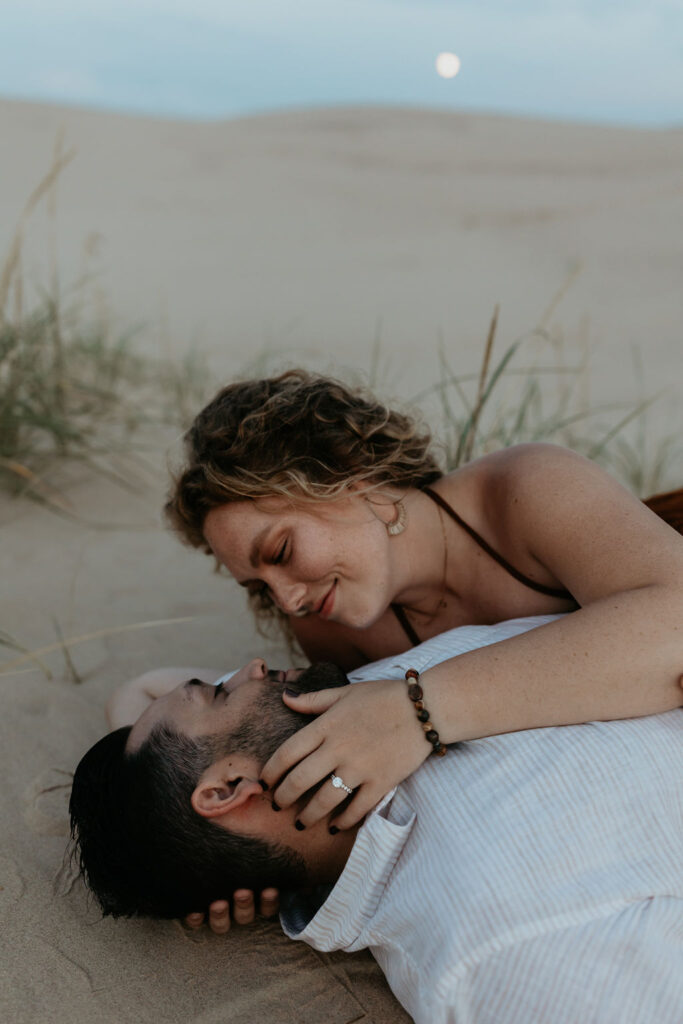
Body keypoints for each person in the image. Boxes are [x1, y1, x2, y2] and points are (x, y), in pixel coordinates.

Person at [163, 370, 683, 927]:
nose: (288, 601)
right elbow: (151, 699)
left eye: (283, 550)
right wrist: (212, 854)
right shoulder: (332, 624)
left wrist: (418, 709)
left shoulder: (524, 490)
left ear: (349, 476)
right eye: (260, 586)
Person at [69, 616, 683, 1024]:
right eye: (218, 692)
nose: (253, 666)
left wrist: (190, 851)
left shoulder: (346, 704)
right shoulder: (486, 951)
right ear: (230, 788)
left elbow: (144, 690)